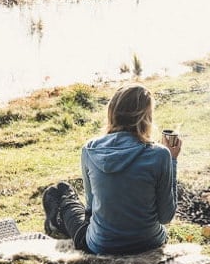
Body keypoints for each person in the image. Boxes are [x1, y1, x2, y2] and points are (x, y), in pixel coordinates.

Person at [41, 83, 182, 254]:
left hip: (102, 246)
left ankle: (63, 206)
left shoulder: (89, 150)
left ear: (112, 113)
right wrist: (172, 160)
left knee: (62, 194)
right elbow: (166, 217)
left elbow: (91, 208)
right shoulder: (161, 154)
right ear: (146, 117)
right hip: (151, 243)